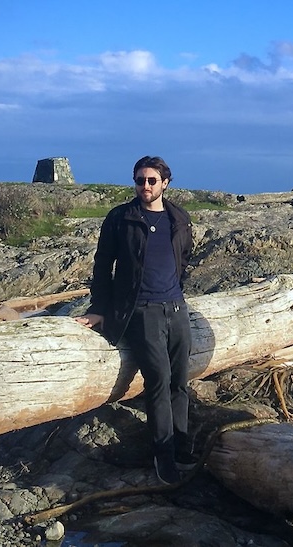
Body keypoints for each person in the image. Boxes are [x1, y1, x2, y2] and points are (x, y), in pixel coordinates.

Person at [76, 155, 194, 484]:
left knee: (180, 383)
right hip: (141, 312)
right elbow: (102, 266)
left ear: (165, 183)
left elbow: (184, 258)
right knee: (158, 382)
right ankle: (164, 456)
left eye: (151, 180)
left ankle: (183, 447)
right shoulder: (121, 218)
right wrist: (99, 307)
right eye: (140, 180)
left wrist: (175, 291)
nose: (145, 186)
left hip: (175, 308)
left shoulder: (179, 218)